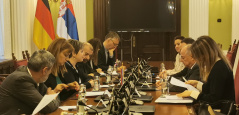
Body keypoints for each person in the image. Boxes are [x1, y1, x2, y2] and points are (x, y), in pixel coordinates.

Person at [0, 50, 68, 114]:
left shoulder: (36, 76)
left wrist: (51, 96)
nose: (50, 73)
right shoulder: (22, 80)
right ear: (45, 70)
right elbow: (48, 107)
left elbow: (47, 99)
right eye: (51, 70)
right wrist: (52, 97)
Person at [177, 36, 235, 103]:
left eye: (197, 56)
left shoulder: (219, 68)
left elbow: (214, 99)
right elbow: (212, 89)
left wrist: (192, 94)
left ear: (204, 55)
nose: (197, 60)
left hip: (219, 110)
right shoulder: (217, 64)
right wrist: (197, 84)